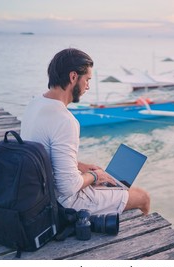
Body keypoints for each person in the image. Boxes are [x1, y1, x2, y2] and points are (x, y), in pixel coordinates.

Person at [21, 48, 150, 215]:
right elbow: (67, 187)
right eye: (87, 80)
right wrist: (95, 176)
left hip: (38, 190)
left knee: (109, 181)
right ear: (73, 77)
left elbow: (45, 156)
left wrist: (81, 167)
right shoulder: (65, 120)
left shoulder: (35, 103)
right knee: (142, 197)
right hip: (63, 202)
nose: (87, 87)